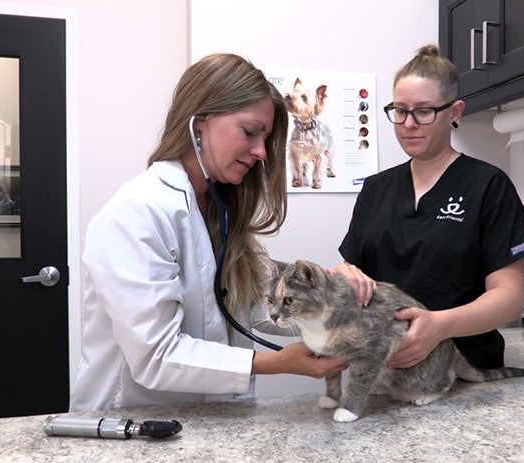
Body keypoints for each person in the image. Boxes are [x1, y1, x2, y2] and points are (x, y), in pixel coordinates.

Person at [70, 53, 347, 412]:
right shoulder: (137, 214)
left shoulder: (217, 210)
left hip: (205, 419)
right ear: (198, 124)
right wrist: (277, 364)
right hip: (130, 421)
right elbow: (157, 356)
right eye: (250, 132)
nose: (261, 152)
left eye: (265, 138)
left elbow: (248, 312)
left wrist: (333, 306)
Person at [335, 44, 524, 371]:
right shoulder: (375, 189)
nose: (408, 123)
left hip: (466, 372)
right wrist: (341, 277)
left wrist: (440, 326)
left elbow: (509, 298)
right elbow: (356, 279)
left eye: (424, 111)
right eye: (399, 110)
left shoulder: (488, 186)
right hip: (387, 371)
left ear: (455, 112)